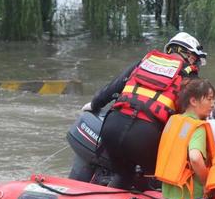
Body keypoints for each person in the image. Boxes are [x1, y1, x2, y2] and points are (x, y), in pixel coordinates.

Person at [84, 32, 206, 189]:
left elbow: (114, 86)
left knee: (123, 175)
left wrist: (94, 104)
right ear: (188, 54)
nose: (195, 63)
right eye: (195, 58)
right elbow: (194, 114)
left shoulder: (146, 62)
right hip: (145, 135)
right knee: (158, 179)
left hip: (111, 126)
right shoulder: (190, 76)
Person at [155, 79, 215, 199]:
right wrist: (207, 184)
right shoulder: (197, 127)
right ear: (193, 101)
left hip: (167, 193)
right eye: (209, 99)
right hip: (190, 196)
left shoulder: (173, 121)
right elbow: (195, 158)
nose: (212, 104)